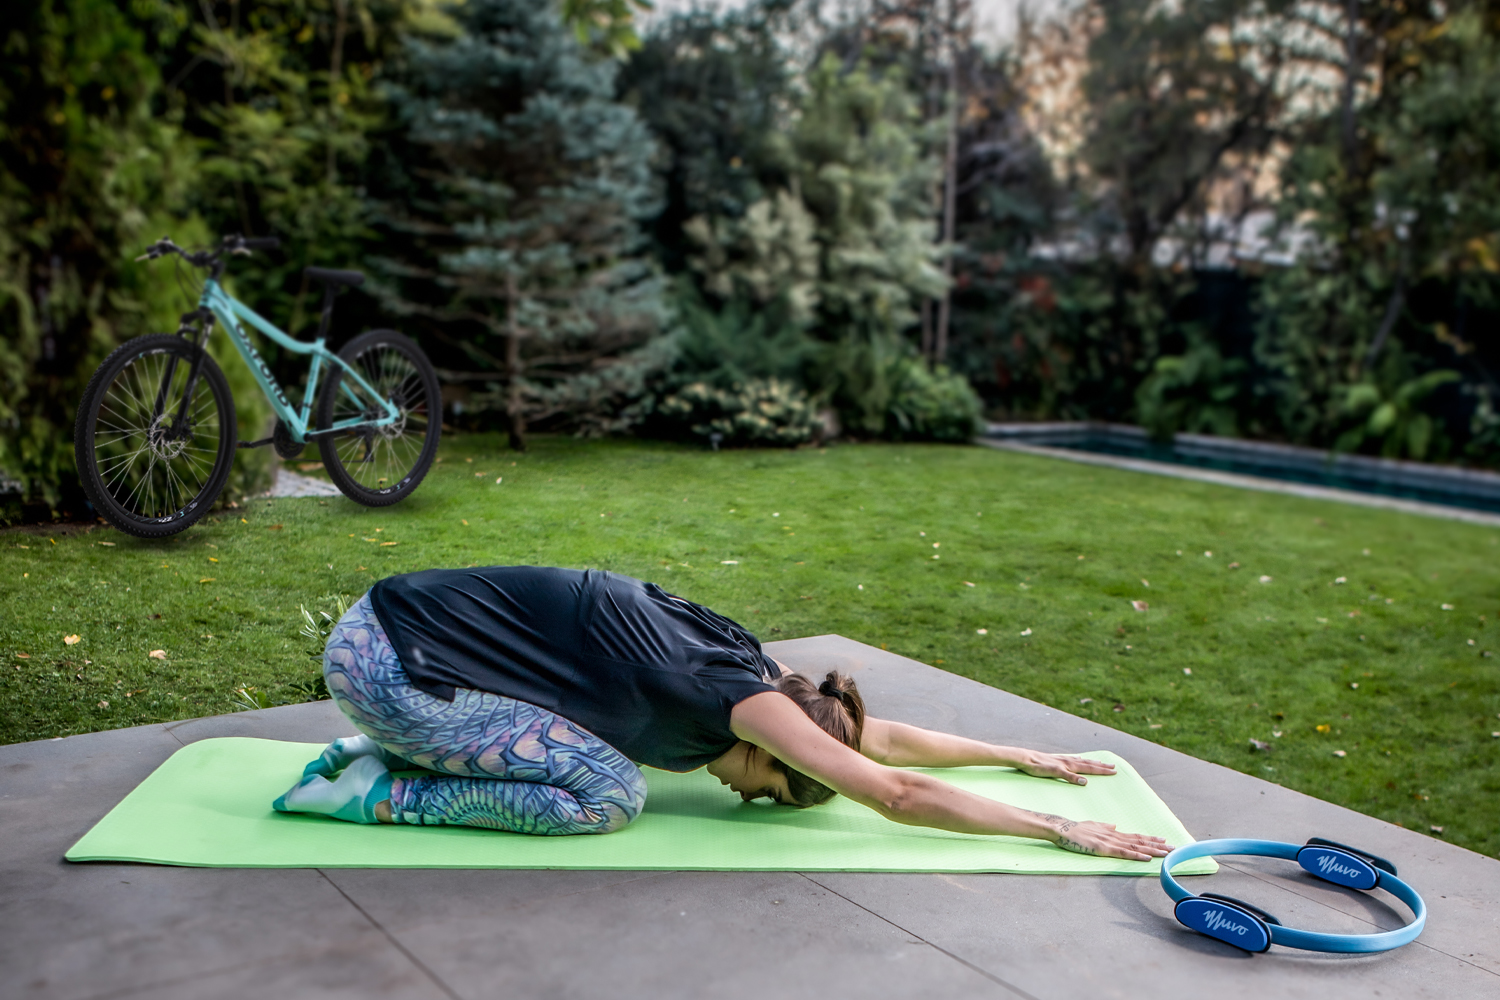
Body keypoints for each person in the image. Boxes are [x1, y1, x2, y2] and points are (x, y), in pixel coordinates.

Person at [274, 566, 1172, 861]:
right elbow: (890, 788)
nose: (749, 798)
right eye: (777, 793)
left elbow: (876, 738)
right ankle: (370, 789)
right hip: (391, 668)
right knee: (607, 795)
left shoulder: (769, 676)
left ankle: (402, 749)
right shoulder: (741, 705)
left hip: (392, 636)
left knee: (593, 760)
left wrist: (1020, 753)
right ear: (778, 751)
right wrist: (1059, 828)